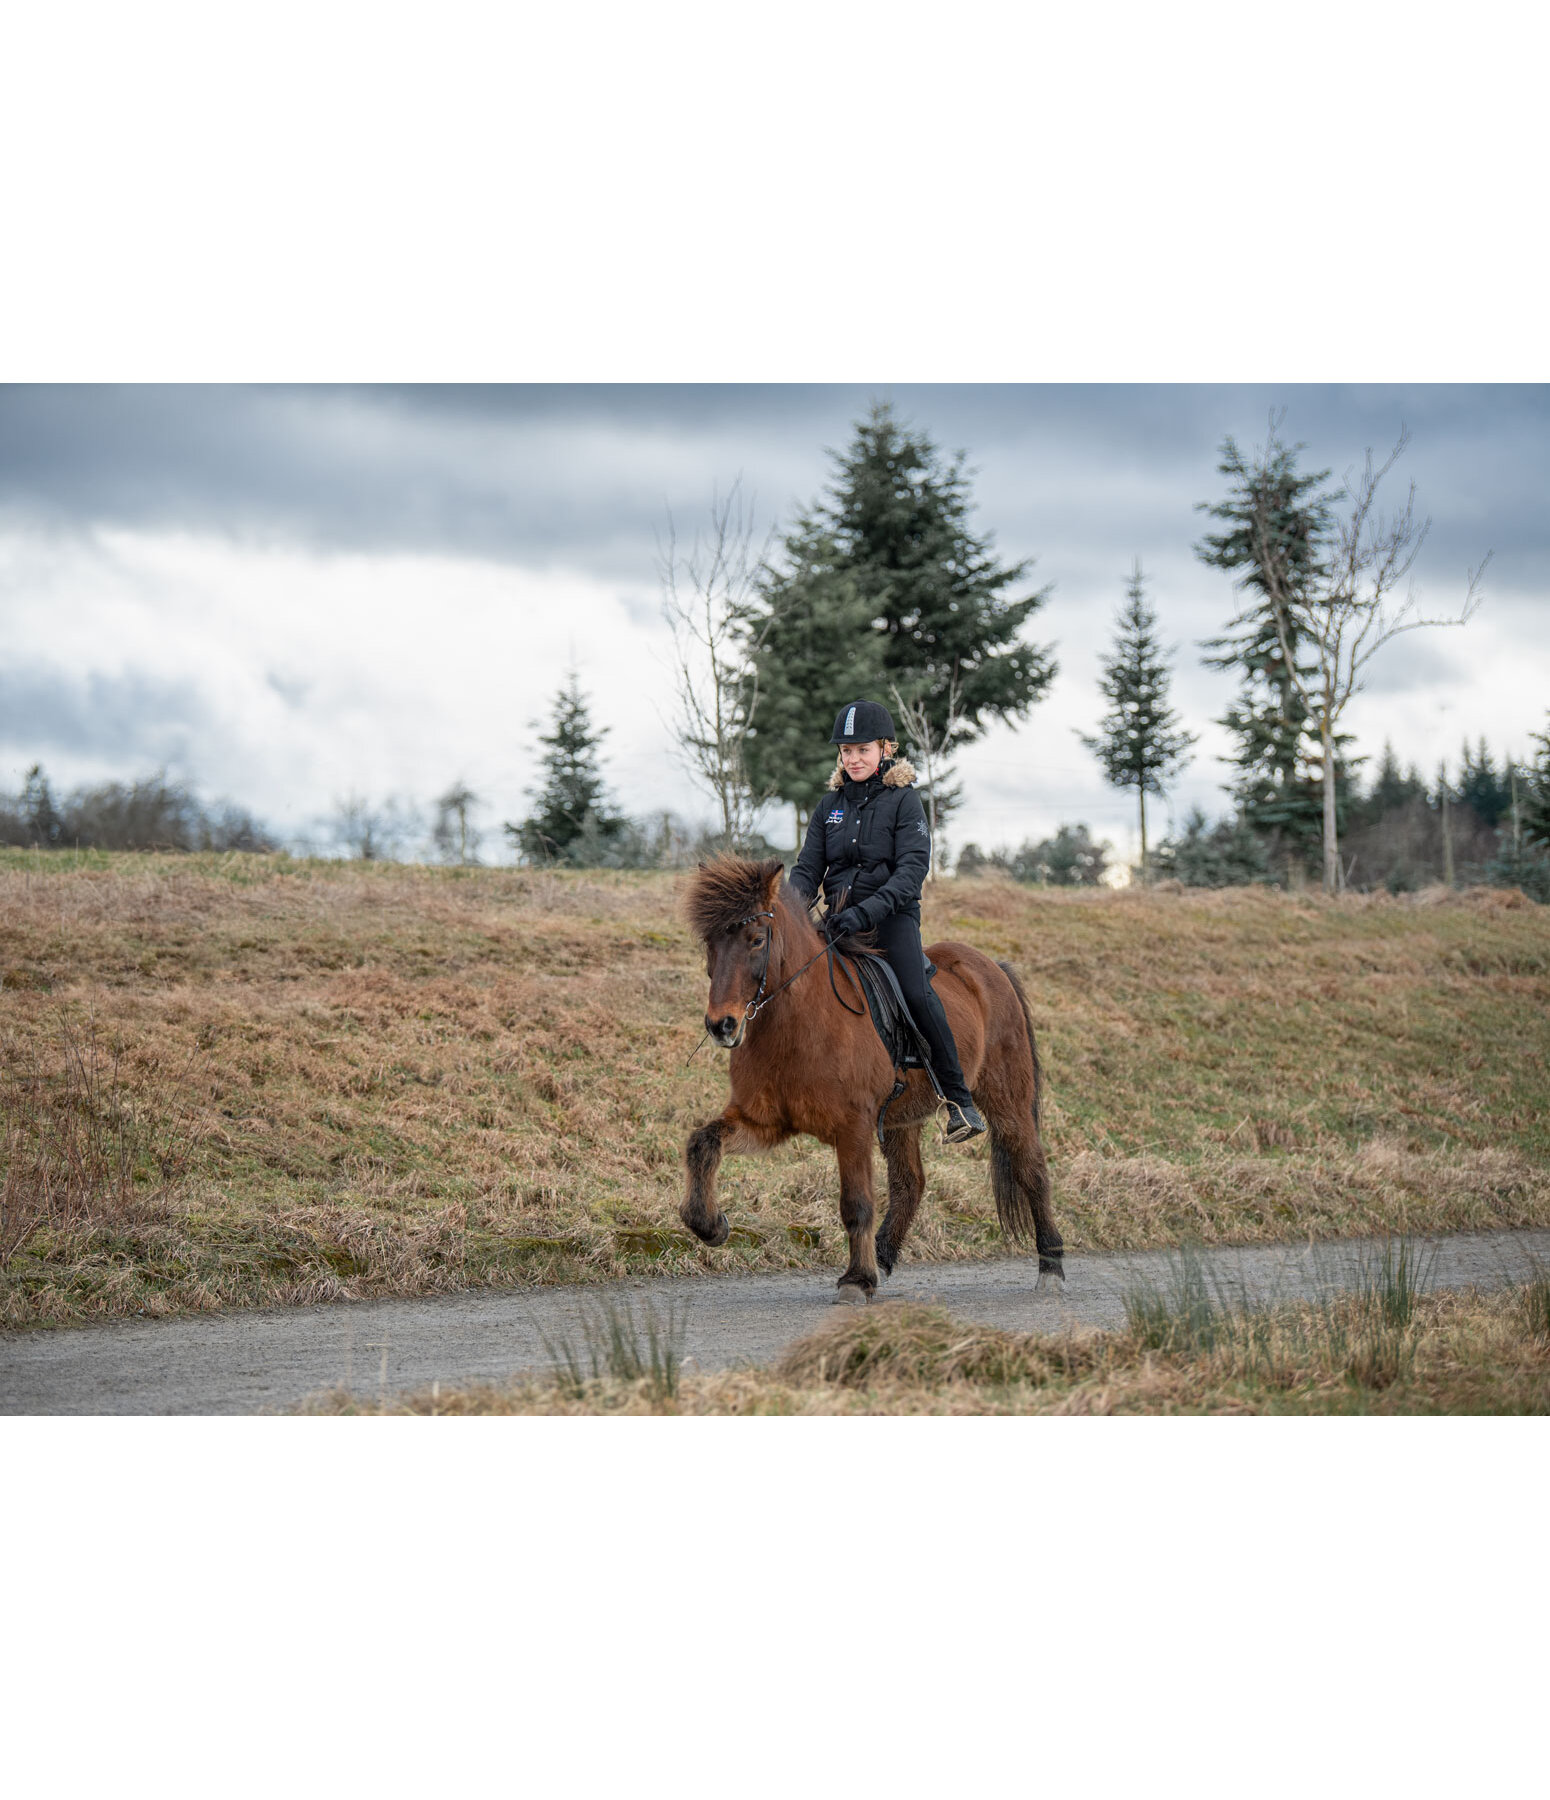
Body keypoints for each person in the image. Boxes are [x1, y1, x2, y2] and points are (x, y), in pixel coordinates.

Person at [788, 699, 987, 1143]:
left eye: (862, 750)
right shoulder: (829, 807)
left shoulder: (904, 802)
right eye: (846, 751)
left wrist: (865, 911)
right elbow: (807, 869)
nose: (853, 759)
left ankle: (959, 1101)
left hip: (890, 921)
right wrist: (788, 909)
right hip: (837, 924)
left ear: (885, 749)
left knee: (916, 992)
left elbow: (911, 872)